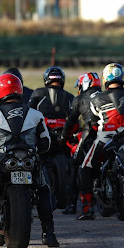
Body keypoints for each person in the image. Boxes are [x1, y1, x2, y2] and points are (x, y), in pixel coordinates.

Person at [0, 73, 59, 248]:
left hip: (0, 157)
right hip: (30, 159)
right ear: (19, 90)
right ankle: (48, 232)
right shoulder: (36, 114)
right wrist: (35, 152)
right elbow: (46, 143)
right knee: (43, 189)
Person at [78, 63, 124, 220]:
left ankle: (87, 208)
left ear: (105, 78)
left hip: (106, 139)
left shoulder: (95, 99)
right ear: (122, 77)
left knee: (85, 168)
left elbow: (92, 123)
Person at [29, 66, 75, 208]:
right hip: (63, 134)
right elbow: (75, 118)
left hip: (44, 133)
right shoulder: (70, 96)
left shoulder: (37, 93)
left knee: (31, 159)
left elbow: (27, 112)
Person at [61, 72, 101, 214]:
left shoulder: (80, 99)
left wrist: (63, 137)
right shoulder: (104, 95)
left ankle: (72, 204)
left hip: (89, 135)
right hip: (107, 135)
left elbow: (71, 121)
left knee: (75, 163)